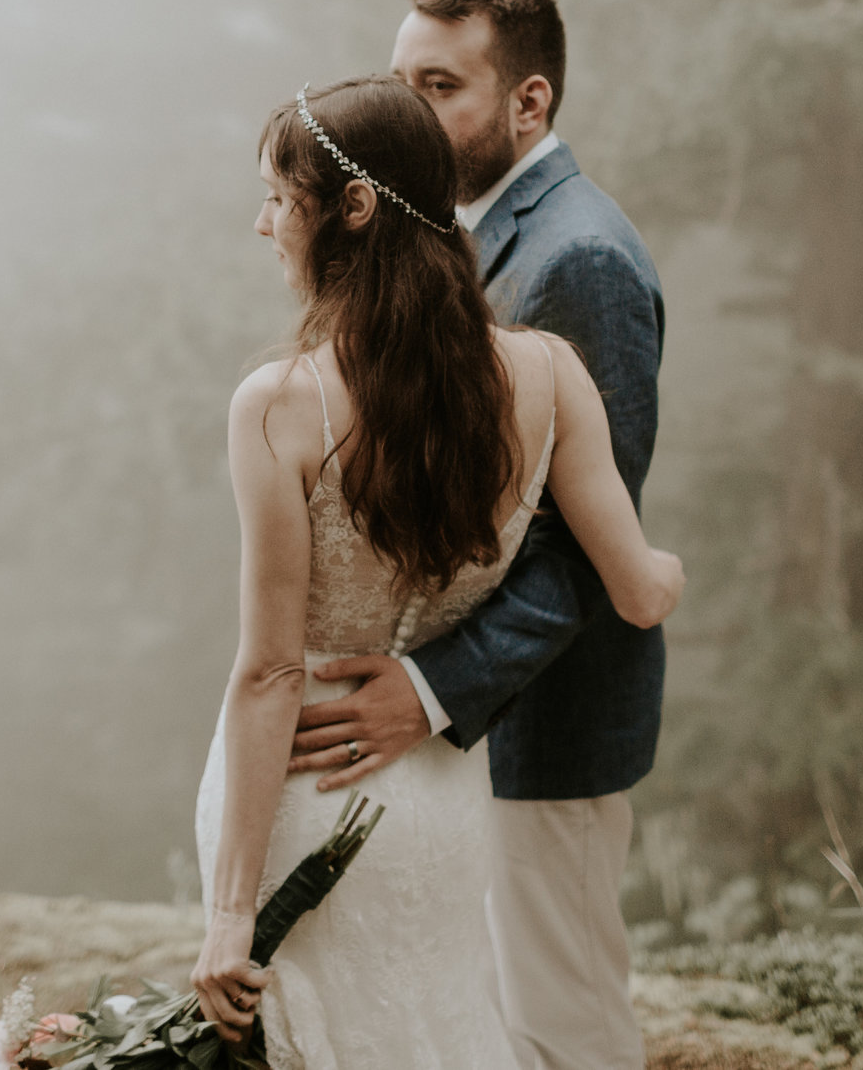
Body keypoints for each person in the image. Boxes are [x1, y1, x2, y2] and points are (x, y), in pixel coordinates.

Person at [192, 76, 682, 1070]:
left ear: (355, 206)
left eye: (282, 198)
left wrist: (228, 915)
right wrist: (666, 564)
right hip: (443, 801)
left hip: (303, 788)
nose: (263, 223)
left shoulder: (278, 403)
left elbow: (270, 674)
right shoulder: (549, 373)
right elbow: (634, 590)